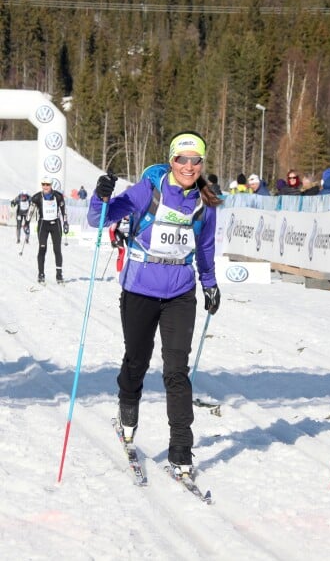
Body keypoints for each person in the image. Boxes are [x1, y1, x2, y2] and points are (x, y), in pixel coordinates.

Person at [87, 130, 222, 479]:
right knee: (137, 359)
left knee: (177, 370)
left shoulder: (204, 202)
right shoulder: (149, 188)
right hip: (140, 288)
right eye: (182, 159)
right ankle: (127, 409)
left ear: (202, 163)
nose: (189, 166)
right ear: (172, 159)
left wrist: (209, 283)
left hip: (179, 291)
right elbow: (99, 219)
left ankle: (181, 449)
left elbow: (205, 249)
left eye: (196, 161)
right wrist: (100, 198)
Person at [27, 177, 69, 284]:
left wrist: (65, 222)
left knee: (57, 250)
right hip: (43, 225)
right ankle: (41, 274)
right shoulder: (37, 197)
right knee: (42, 249)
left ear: (51, 185)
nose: (45, 186)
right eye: (43, 184)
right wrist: (26, 223)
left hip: (55, 224)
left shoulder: (58, 196)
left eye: (47, 184)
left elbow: (64, 211)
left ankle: (59, 276)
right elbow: (30, 211)